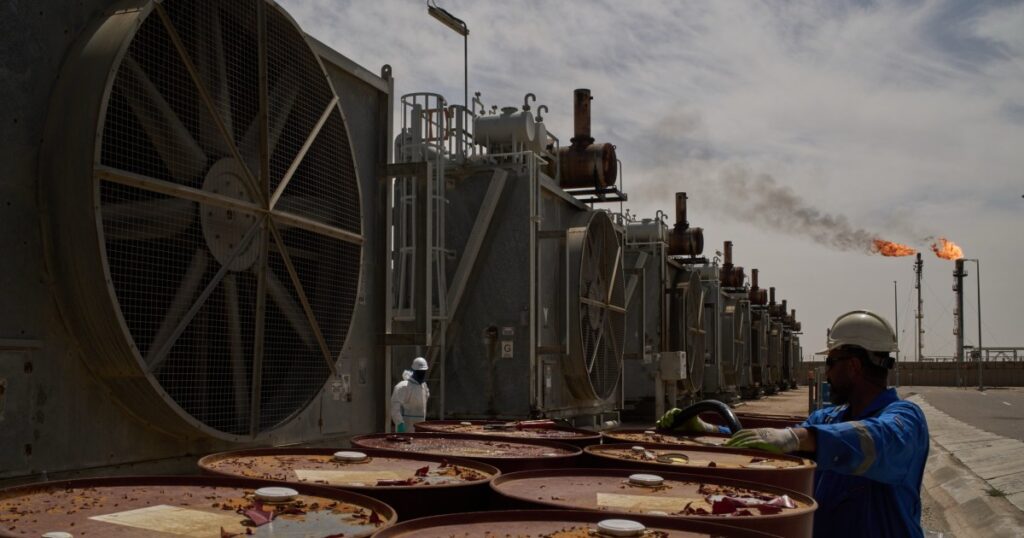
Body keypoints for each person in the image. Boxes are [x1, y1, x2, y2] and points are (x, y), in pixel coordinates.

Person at [725, 310, 929, 538]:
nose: (827, 373)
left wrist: (798, 438)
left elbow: (878, 439)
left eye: (831, 362)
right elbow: (772, 442)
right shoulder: (827, 419)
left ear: (853, 366)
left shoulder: (906, 419)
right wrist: (716, 432)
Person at [390, 357, 430, 433]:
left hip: (420, 427)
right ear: (414, 371)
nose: (422, 374)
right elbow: (394, 406)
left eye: (423, 372)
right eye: (419, 372)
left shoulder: (424, 386)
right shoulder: (403, 387)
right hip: (406, 428)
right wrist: (399, 423)